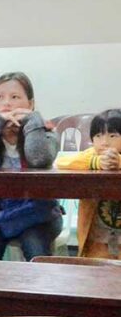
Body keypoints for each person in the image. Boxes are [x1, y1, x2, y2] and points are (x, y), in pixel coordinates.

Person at [0, 72, 62, 261]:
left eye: (15, 97)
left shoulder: (47, 132)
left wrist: (33, 120)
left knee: (34, 245)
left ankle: (38, 290)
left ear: (31, 104)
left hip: (39, 213)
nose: (6, 103)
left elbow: (39, 159)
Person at [56, 109, 121, 259]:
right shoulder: (91, 155)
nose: (104, 142)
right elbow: (62, 162)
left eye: (112, 135)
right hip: (96, 238)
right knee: (95, 272)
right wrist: (96, 162)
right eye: (98, 136)